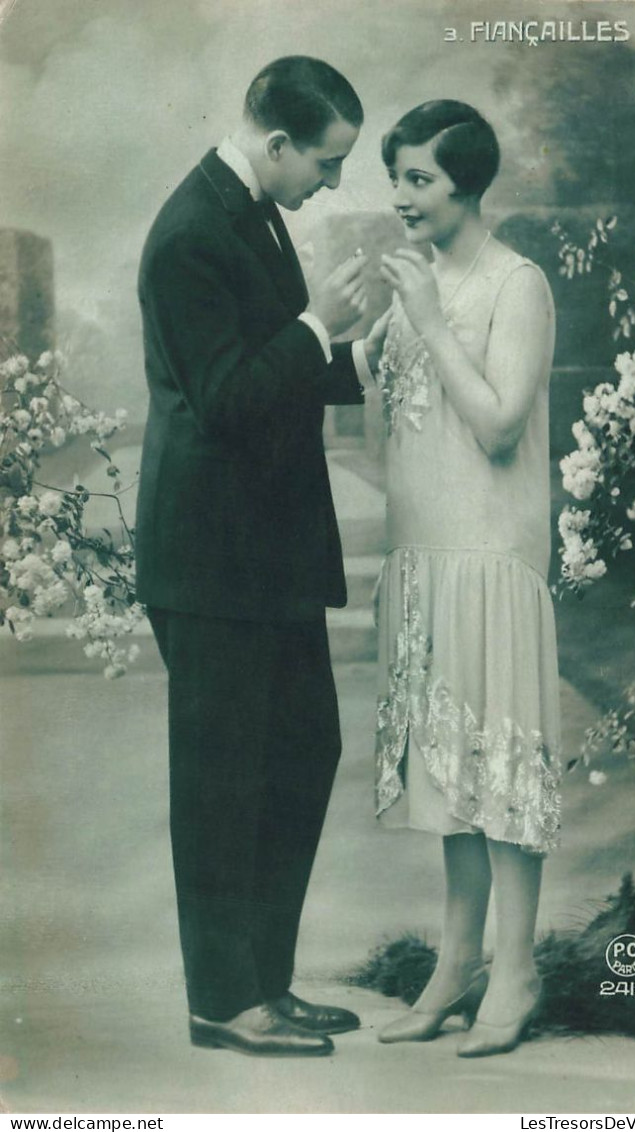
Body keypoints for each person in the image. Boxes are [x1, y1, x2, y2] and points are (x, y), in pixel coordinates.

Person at [135, 56, 385, 1058]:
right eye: (326, 161)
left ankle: (264, 986)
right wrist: (323, 319)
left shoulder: (254, 211)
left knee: (300, 751)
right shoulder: (188, 235)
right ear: (277, 144)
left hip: (263, 552)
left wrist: (372, 355)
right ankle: (222, 1003)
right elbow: (233, 396)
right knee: (221, 779)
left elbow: (280, 372)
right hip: (210, 558)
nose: (333, 181)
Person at [367, 100, 562, 1057]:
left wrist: (430, 324)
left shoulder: (513, 283)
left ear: (468, 184)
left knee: (503, 774)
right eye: (395, 176)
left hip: (491, 562)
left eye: (419, 179)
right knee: (451, 777)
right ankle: (455, 966)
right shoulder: (423, 283)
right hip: (427, 559)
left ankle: (515, 969)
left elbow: (497, 427)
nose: (400, 196)